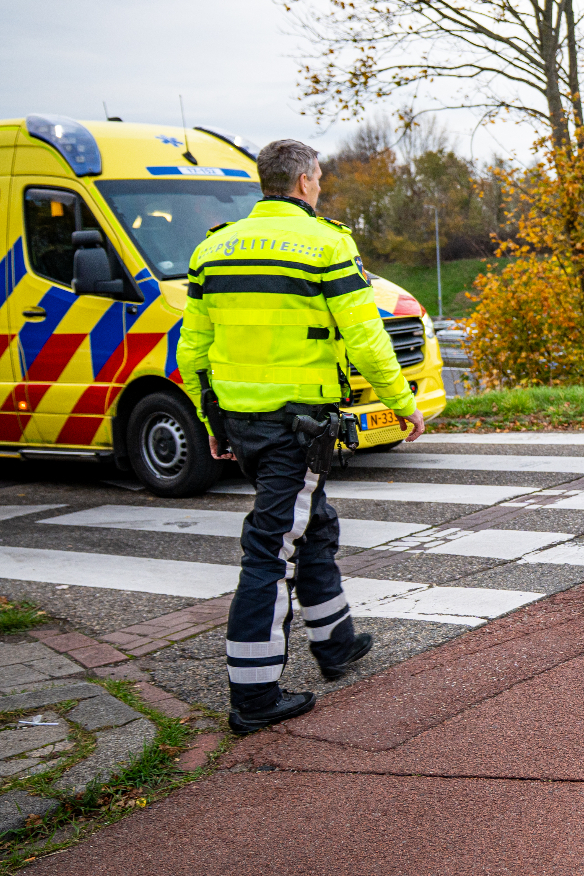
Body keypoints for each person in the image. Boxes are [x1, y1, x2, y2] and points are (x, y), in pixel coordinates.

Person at [181, 139, 425, 735]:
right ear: (306, 181)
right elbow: (366, 338)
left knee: (314, 523)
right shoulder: (327, 244)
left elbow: (193, 351)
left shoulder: (213, 250)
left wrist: (214, 423)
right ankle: (255, 693)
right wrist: (402, 403)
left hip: (243, 421)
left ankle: (335, 641)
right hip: (299, 425)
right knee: (270, 548)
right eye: (318, 177)